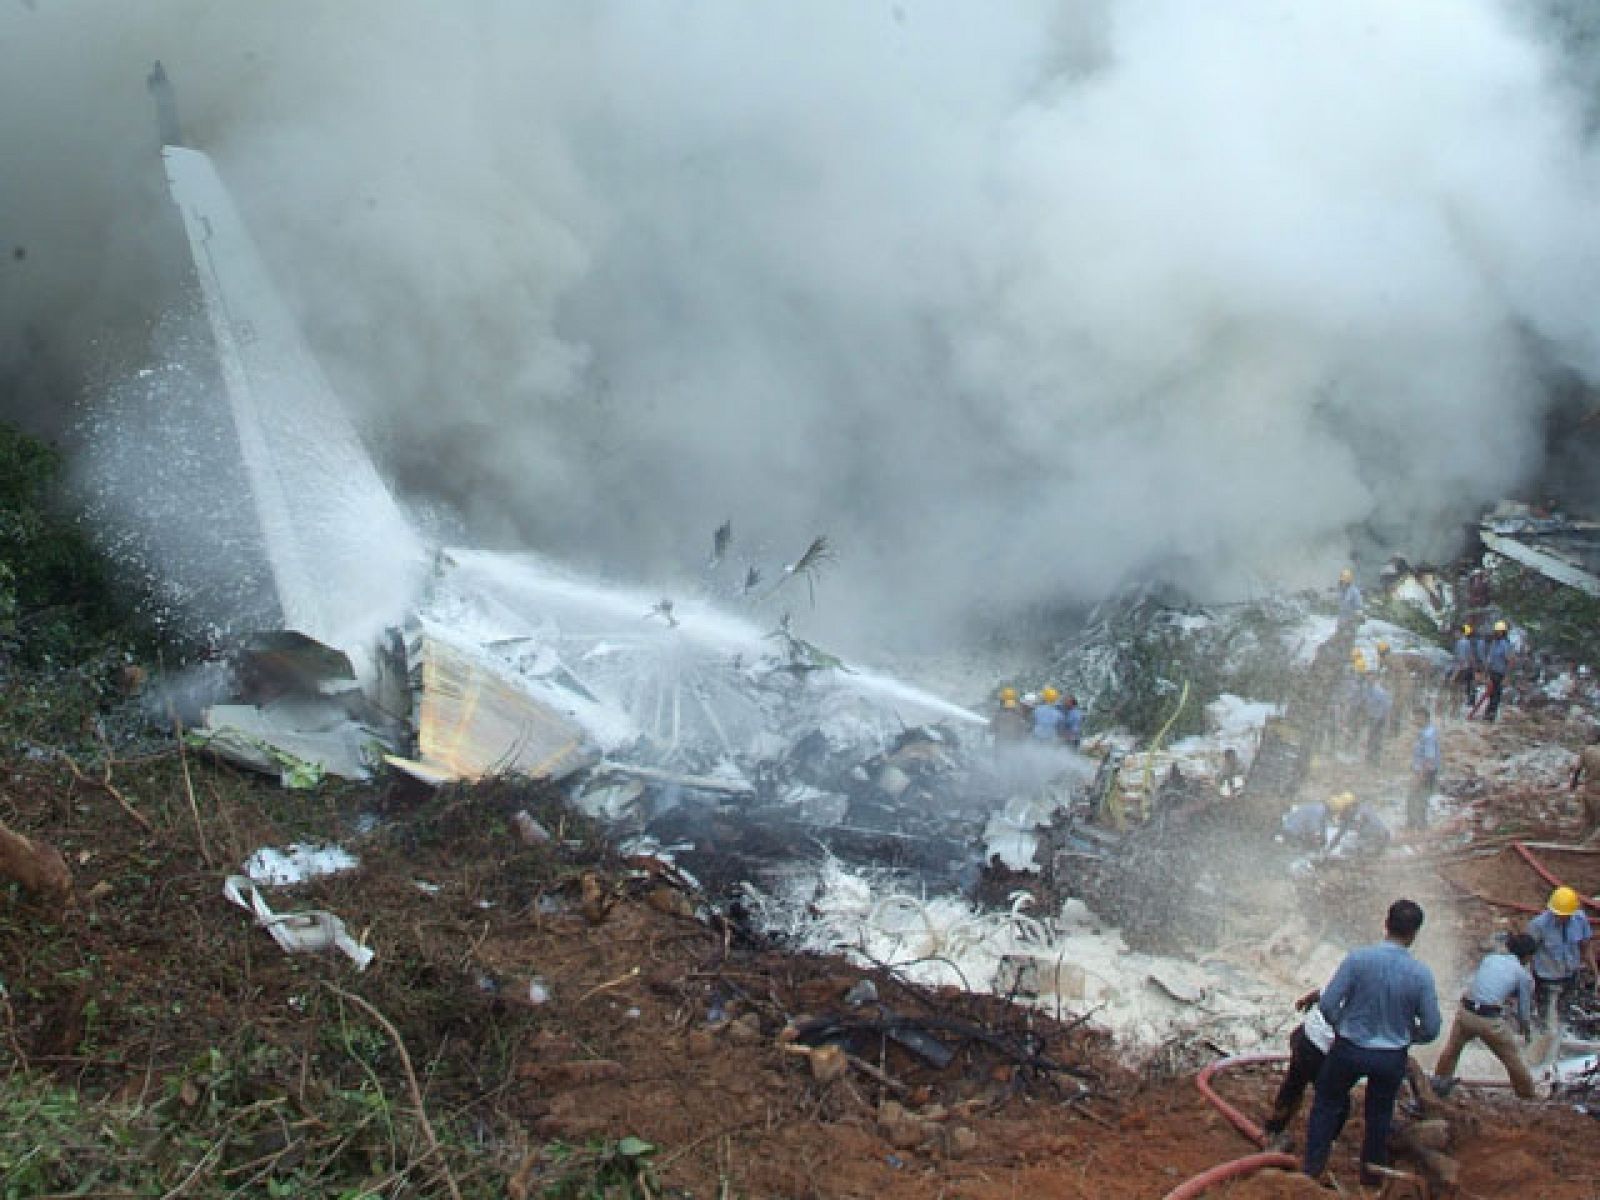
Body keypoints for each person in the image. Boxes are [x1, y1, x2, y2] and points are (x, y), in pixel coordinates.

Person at [1302, 899, 1441, 1185]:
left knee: (1327, 1104)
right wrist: (1408, 1036)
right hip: (1390, 1057)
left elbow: (1328, 1004)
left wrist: (1341, 1024)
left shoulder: (1358, 959)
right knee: (1379, 1117)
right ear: (1415, 933)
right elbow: (1431, 1028)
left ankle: (1312, 1169)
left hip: (1350, 1047)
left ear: (1386, 923)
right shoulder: (1421, 974)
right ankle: (1371, 1181)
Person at [1430, 933, 1538, 1099]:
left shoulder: (1491, 959)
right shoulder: (1523, 975)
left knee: (1451, 1052)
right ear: (1528, 956)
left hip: (1466, 1011)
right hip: (1489, 1020)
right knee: (1513, 1060)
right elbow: (1523, 1013)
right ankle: (1528, 1096)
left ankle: (1437, 1086)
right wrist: (1527, 1032)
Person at [1263, 987, 1335, 1153]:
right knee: (1332, 1102)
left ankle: (1274, 1129)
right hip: (1322, 1050)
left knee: (1294, 1083)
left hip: (1305, 1037)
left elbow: (1326, 992)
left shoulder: (1355, 968)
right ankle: (1317, 1153)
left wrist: (1309, 998)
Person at [1528, 886, 1597, 1046]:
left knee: (1564, 1012)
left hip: (1570, 975)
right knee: (1545, 1017)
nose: (1560, 918)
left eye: (1564, 915)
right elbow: (1528, 952)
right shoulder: (1538, 926)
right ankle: (1543, 1042)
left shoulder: (1580, 920)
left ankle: (1559, 1042)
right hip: (1546, 977)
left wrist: (1595, 971)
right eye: (1557, 914)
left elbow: (1585, 946)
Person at [1408, 709, 1440, 831]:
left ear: (1423, 718)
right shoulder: (1425, 732)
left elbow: (1429, 758)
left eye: (1416, 717)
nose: (1414, 720)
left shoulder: (1428, 735)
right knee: (1417, 798)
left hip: (1425, 772)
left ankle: (1419, 827)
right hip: (1423, 771)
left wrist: (1420, 776)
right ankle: (1415, 825)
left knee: (1418, 798)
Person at [1568, 732, 1600, 841]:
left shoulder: (1588, 750)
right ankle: (1589, 846)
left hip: (1588, 790)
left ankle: (1581, 844)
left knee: (1588, 821)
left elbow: (1577, 770)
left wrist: (1573, 784)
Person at [1480, 620, 1514, 722]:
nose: (1496, 633)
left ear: (1503, 632)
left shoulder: (1505, 645)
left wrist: (1507, 677)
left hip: (1500, 674)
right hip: (1492, 672)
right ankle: (1487, 715)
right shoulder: (1495, 643)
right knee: (1490, 695)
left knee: (1496, 696)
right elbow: (1489, 659)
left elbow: (1510, 661)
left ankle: (1490, 717)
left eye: (1498, 632)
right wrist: (1485, 673)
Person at [1361, 677, 1393, 767]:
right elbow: (1366, 703)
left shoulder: (1380, 692)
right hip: (1371, 717)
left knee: (1377, 739)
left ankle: (1376, 759)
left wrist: (1383, 719)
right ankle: (1369, 758)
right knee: (1371, 737)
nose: (1368, 680)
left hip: (1379, 718)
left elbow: (1386, 707)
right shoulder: (1366, 689)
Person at [1451, 624, 1478, 709]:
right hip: (1465, 669)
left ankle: (1454, 709)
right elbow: (1471, 657)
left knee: (1456, 690)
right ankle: (1457, 708)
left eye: (1455, 632)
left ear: (1460, 632)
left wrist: (1454, 674)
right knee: (1461, 690)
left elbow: (1461, 661)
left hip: (1461, 669)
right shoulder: (1467, 642)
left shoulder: (1461, 643)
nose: (1454, 634)